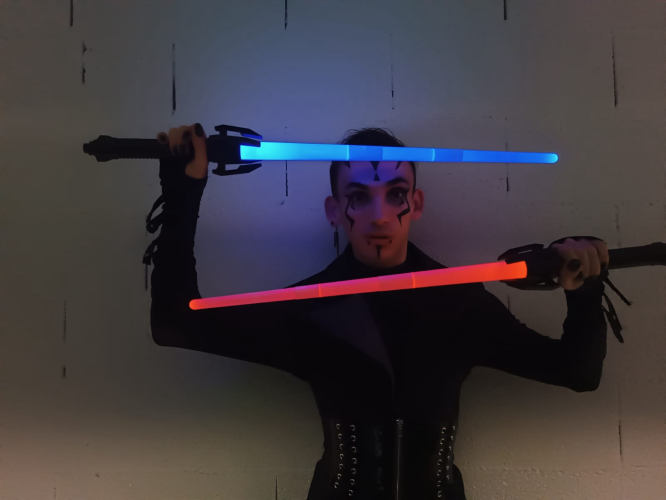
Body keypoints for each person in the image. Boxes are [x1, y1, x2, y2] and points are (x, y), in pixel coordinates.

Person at [143, 122, 624, 500]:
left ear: (416, 203)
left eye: (395, 194)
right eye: (359, 197)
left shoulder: (459, 303)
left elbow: (577, 372)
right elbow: (175, 325)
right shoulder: (307, 310)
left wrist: (584, 289)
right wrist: (184, 191)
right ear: (334, 210)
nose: (378, 216)